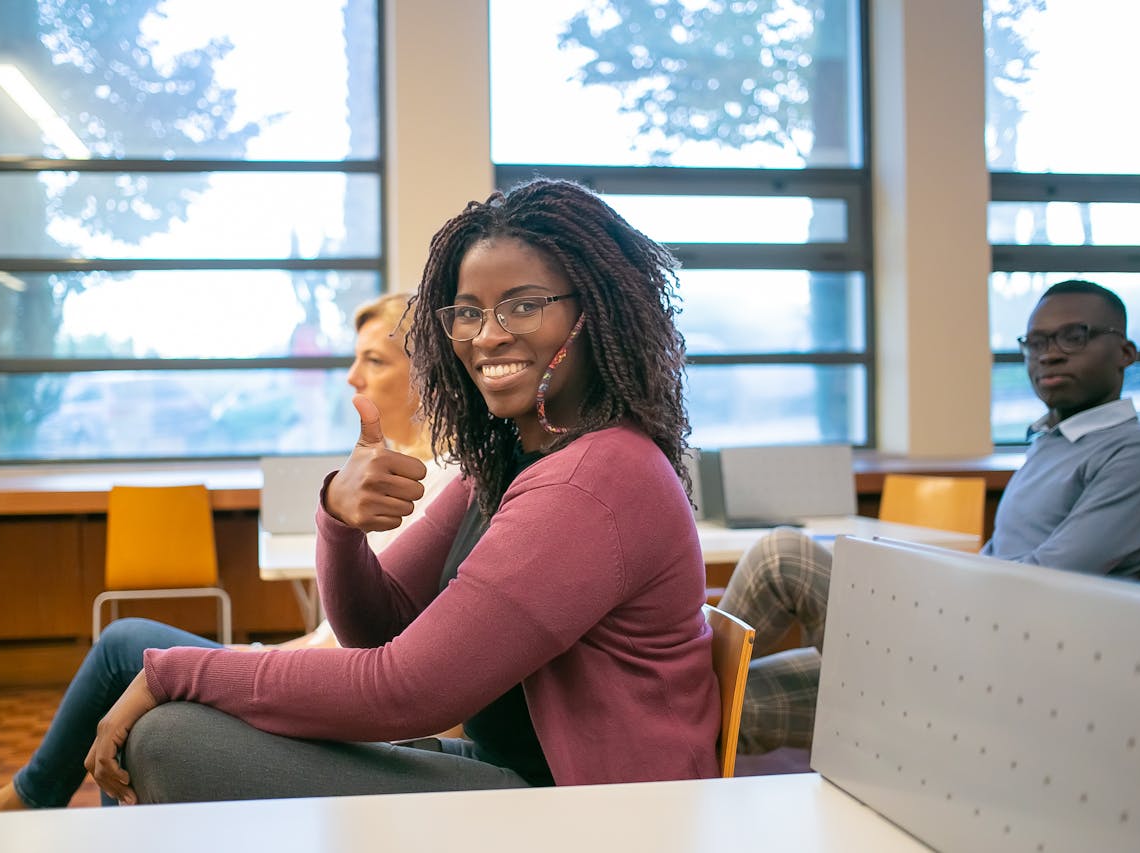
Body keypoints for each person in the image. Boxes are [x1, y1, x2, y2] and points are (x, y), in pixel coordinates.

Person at [86, 178, 716, 806]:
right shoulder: (507, 465)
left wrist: (176, 671)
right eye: (467, 311)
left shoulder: (594, 478)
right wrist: (339, 518)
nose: (487, 335)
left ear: (595, 309)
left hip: (603, 813)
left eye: (524, 305)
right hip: (519, 777)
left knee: (169, 736)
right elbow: (376, 624)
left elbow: (405, 692)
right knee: (180, 728)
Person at [0, 292, 453, 819]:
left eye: (374, 360)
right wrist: (261, 650)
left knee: (123, 648)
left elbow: (375, 649)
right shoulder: (394, 470)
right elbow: (347, 633)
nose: (350, 377)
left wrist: (253, 661)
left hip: (335, 685)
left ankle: (22, 803)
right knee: (130, 670)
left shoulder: (439, 483)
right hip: (316, 665)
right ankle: (28, 802)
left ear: (427, 375)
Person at [718, 279, 1140, 755]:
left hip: (1011, 679)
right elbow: (999, 566)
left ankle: (666, 682)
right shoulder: (1050, 445)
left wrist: (920, 594)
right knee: (722, 704)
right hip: (963, 654)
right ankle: (668, 701)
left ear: (1125, 351)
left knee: (783, 555)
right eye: (1035, 342)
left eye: (1073, 336)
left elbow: (1043, 583)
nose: (1049, 354)